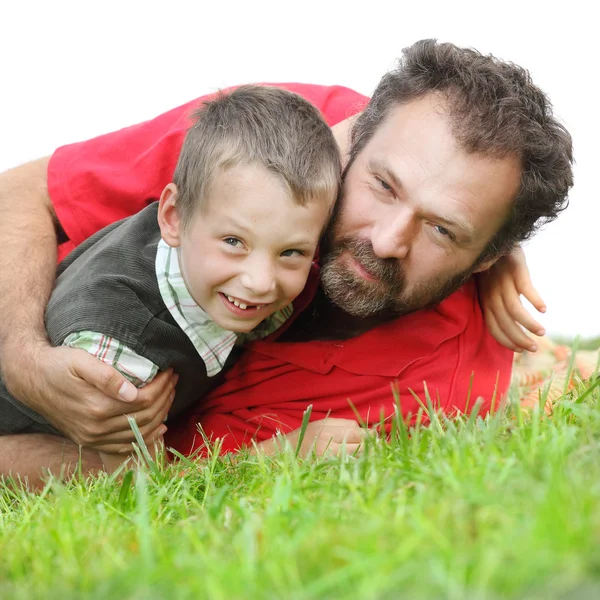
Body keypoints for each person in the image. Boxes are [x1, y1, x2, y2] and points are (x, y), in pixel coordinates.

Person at [0, 40, 572, 482]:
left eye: (443, 229)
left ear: (486, 257)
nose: (388, 240)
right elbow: (24, 193)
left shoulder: (444, 385)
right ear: (352, 141)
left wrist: (264, 461)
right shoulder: (266, 138)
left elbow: (156, 473)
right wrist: (23, 359)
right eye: (383, 184)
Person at [0, 85, 341, 470]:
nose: (261, 281)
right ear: (172, 216)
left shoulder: (205, 243)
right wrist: (271, 458)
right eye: (234, 242)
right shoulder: (118, 352)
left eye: (290, 252)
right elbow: (128, 475)